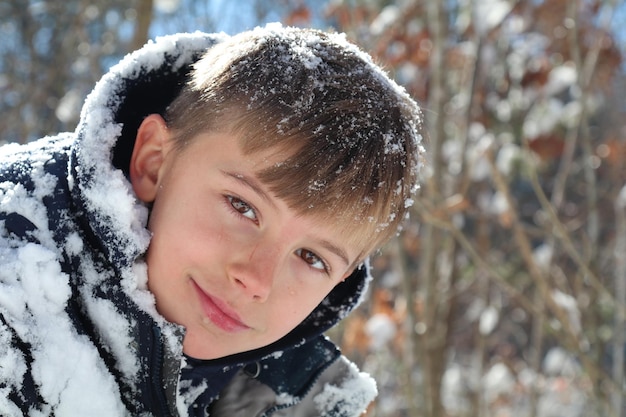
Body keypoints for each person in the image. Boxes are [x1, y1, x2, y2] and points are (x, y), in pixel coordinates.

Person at [0, 23, 425, 416]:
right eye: (243, 206)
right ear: (153, 162)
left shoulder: (295, 398)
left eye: (312, 258)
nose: (256, 280)